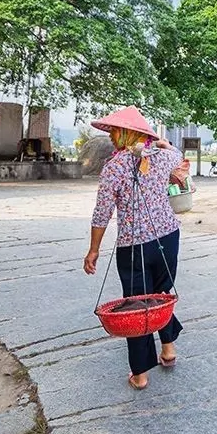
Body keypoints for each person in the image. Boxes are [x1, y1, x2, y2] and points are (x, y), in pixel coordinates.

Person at [82, 106, 184, 390]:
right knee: (160, 294)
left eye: (115, 132)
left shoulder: (113, 168)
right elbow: (177, 155)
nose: (111, 136)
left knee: (138, 305)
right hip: (168, 237)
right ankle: (168, 349)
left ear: (127, 134)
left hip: (134, 246)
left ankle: (140, 374)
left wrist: (93, 250)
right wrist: (164, 144)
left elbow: (102, 213)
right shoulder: (163, 157)